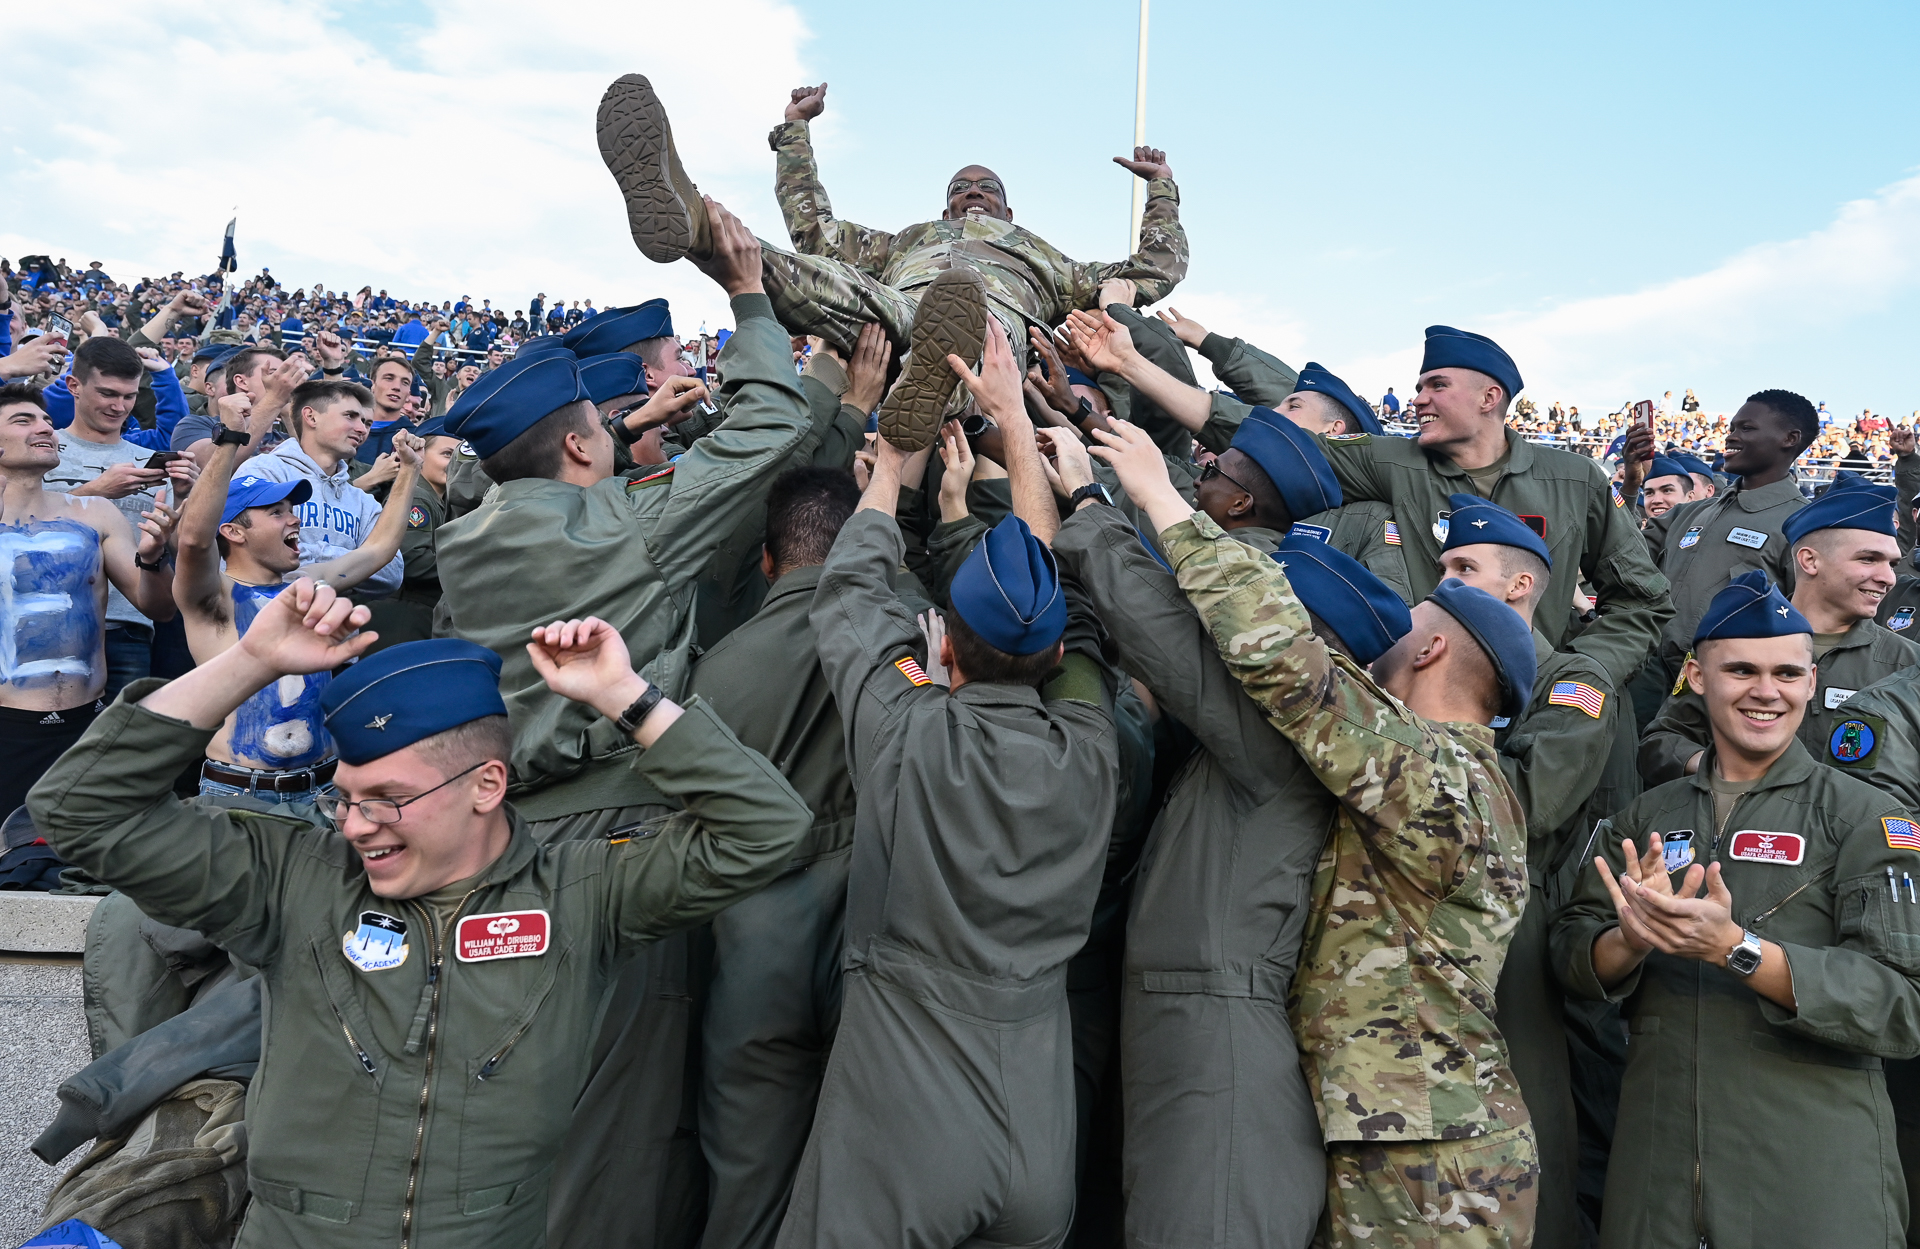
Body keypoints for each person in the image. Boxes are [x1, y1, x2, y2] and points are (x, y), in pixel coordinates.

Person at [26, 583, 811, 1249]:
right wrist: (252, 660)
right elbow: (77, 810)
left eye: (389, 799)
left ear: (487, 785)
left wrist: (624, 697)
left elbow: (768, 830)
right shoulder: (290, 878)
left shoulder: (585, 892)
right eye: (346, 795)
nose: (357, 823)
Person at [1092, 416, 1539, 1247]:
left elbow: (1286, 661)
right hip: (1390, 1127)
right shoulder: (1440, 768)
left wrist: (1156, 494)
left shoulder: (1442, 775)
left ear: (1432, 645)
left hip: (1434, 1159)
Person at [776, 324, 1116, 1248]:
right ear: (1050, 657)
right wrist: (1011, 419)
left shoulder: (907, 725)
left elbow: (849, 590)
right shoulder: (1091, 743)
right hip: (1043, 1133)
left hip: (904, 1120)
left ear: (945, 644)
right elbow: (1067, 602)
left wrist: (891, 466)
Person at [1049, 421, 1410, 1248]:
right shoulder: (1253, 741)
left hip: (1219, 1053)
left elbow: (1166, 637)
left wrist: (1091, 498)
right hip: (1190, 1025)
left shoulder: (1282, 742)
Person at [1553, 572, 1920, 1249]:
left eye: (1787, 672)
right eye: (1742, 669)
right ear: (1696, 674)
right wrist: (1628, 940)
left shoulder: (1869, 818)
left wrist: (1736, 949)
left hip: (1810, 1181)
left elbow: (1900, 1003)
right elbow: (1573, 956)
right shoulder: (1646, 814)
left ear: (1812, 683)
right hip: (1656, 1176)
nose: (1766, 690)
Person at [595, 74, 1187, 448]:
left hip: (995, 321)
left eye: (985, 186)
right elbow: (817, 232)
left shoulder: (1050, 260)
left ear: (1009, 208)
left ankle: (929, 397)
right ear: (946, 201)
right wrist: (794, 132)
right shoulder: (910, 238)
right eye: (960, 185)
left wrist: (1161, 187)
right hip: (903, 300)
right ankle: (693, 222)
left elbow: (1153, 268)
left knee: (975, 345)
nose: (972, 191)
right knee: (833, 282)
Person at [1081, 320, 1671, 693]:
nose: (1418, 399)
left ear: (1490, 397)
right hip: (1416, 700)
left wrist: (1586, 671)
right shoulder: (1395, 462)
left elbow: (1641, 598)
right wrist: (1130, 366)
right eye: (1418, 387)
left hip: (1539, 701)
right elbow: (1271, 440)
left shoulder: (1573, 479)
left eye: (1436, 385)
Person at [1435, 493, 1626, 1248]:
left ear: (1521, 585)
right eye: (1445, 562)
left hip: (1518, 920)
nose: (1445, 578)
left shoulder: (1572, 683)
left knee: (1525, 1118)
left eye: (1465, 566)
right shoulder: (1432, 662)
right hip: (1437, 911)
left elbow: (1529, 803)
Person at [684, 466, 863, 1249]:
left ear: (766, 560)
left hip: (751, 941)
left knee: (746, 1172)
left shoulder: (715, 668)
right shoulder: (914, 635)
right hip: (874, 929)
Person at [171, 400, 423, 800]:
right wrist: (230, 441)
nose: (295, 520)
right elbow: (193, 539)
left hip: (322, 788)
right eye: (276, 512)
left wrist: (410, 470)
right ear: (235, 532)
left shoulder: (305, 585)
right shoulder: (212, 597)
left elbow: (378, 549)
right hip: (240, 796)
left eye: (292, 509)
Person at [1640, 475, 1920, 785]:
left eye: (1892, 564)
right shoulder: (1732, 639)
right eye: (1868, 559)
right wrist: (1729, 769)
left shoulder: (1907, 664)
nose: (1887, 578)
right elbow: (1662, 743)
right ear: (1809, 560)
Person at [0, 382, 177, 819]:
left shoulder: (96, 513)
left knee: (80, 870)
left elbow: (159, 607)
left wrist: (153, 559)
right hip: (6, 730)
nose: (45, 427)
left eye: (45, 419)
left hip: (85, 727)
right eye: (23, 420)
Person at [43, 338, 197, 699]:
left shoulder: (151, 459)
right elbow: (17, 521)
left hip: (129, 625)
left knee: (116, 750)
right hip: (47, 623)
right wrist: (98, 490)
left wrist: (188, 495)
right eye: (108, 393)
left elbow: (181, 550)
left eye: (129, 396)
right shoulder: (40, 448)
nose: (119, 406)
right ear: (74, 386)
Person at [1633, 389, 1819, 680]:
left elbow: (1808, 627)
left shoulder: (1805, 524)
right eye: (1732, 428)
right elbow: (1621, 550)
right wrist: (1633, 481)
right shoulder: (1691, 513)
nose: (1731, 437)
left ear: (1790, 439)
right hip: (1649, 674)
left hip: (1727, 685)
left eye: (1746, 428)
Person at [241, 377, 407, 597]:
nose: (362, 429)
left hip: (331, 627)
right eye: (350, 416)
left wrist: (311, 559)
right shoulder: (265, 471)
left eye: (367, 423)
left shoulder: (361, 500)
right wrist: (359, 559)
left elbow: (391, 572)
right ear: (311, 416)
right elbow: (255, 547)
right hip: (259, 619)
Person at [1637, 454, 1698, 522]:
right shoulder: (1637, 532)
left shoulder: (1706, 530)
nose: (1657, 500)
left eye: (1667, 491)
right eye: (1649, 493)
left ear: (1690, 497)